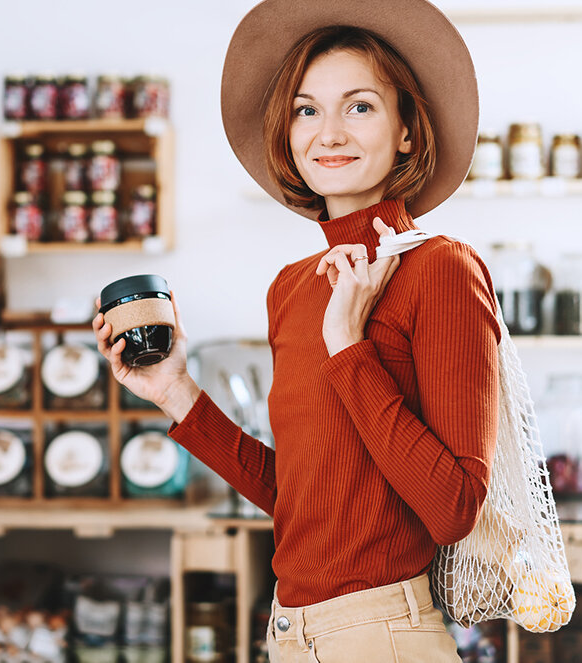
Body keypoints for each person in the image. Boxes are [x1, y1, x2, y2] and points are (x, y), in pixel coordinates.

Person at [93, 1, 498, 660]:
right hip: (289, 632)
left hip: (382, 636)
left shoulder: (440, 269)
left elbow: (453, 506)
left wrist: (349, 347)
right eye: (307, 110)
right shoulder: (291, 285)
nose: (328, 132)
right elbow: (301, 498)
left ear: (405, 130)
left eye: (359, 106)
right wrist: (175, 394)